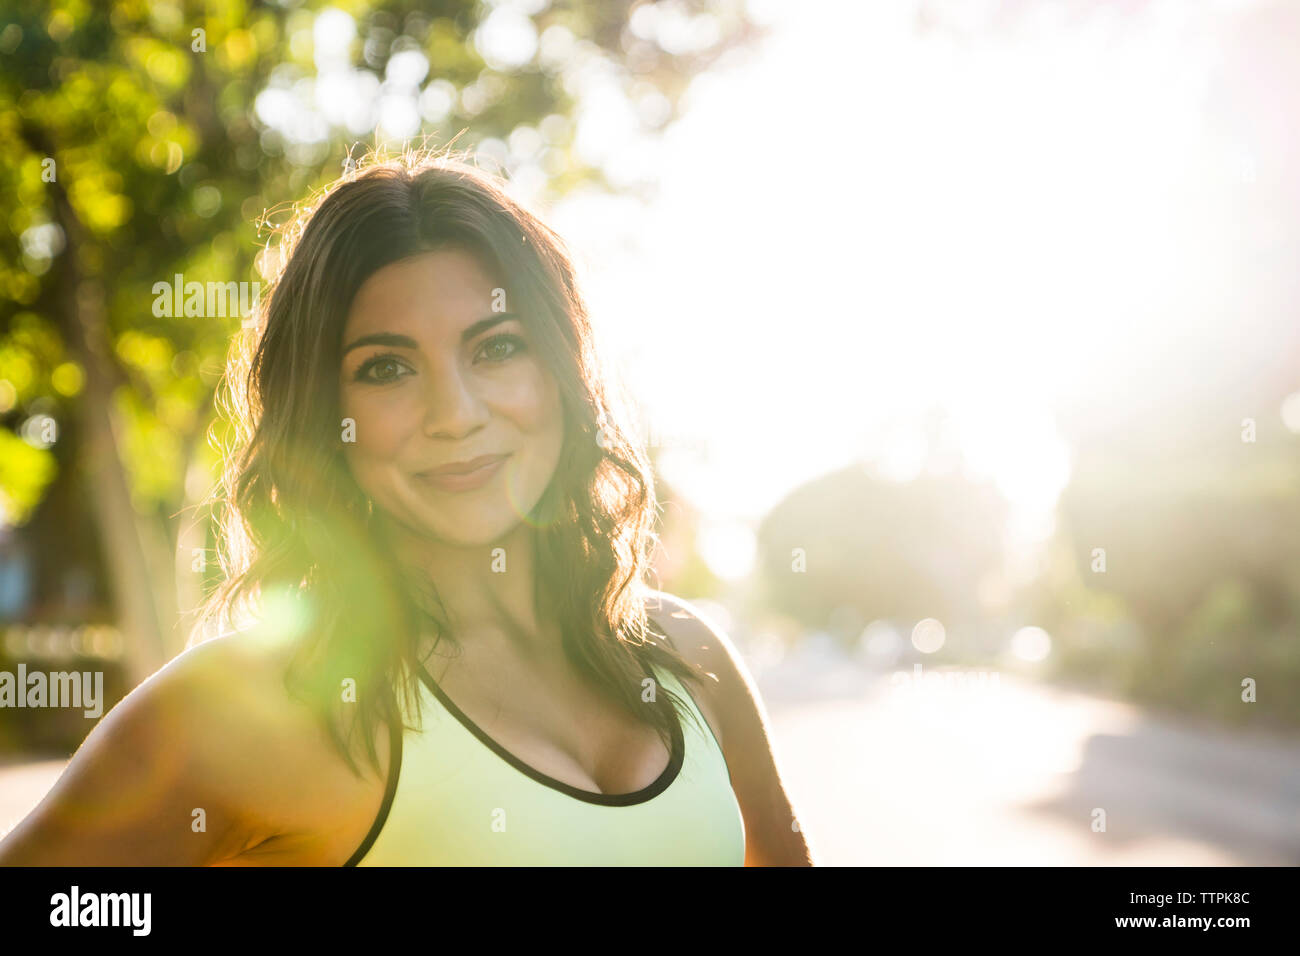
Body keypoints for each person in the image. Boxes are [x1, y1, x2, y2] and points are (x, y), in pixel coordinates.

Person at [0, 152, 812, 866]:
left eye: (497, 347)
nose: (454, 414)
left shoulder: (686, 658)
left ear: (562, 373)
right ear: (325, 420)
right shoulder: (251, 707)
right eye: (386, 369)